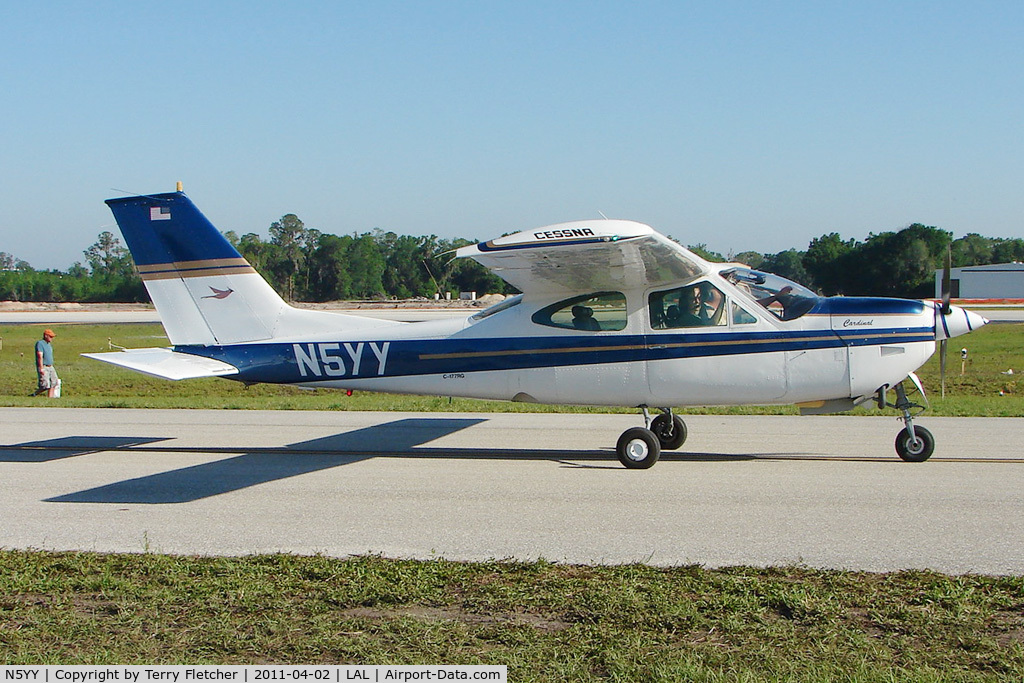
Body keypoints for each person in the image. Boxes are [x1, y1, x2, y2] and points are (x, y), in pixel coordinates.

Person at [34, 328, 60, 398]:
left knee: (54, 383)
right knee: (45, 385)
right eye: (50, 337)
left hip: (50, 366)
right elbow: (40, 355)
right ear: (46, 336)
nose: (52, 338)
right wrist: (41, 368)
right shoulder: (40, 343)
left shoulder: (49, 345)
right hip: (44, 366)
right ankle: (34, 394)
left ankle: (50, 398)